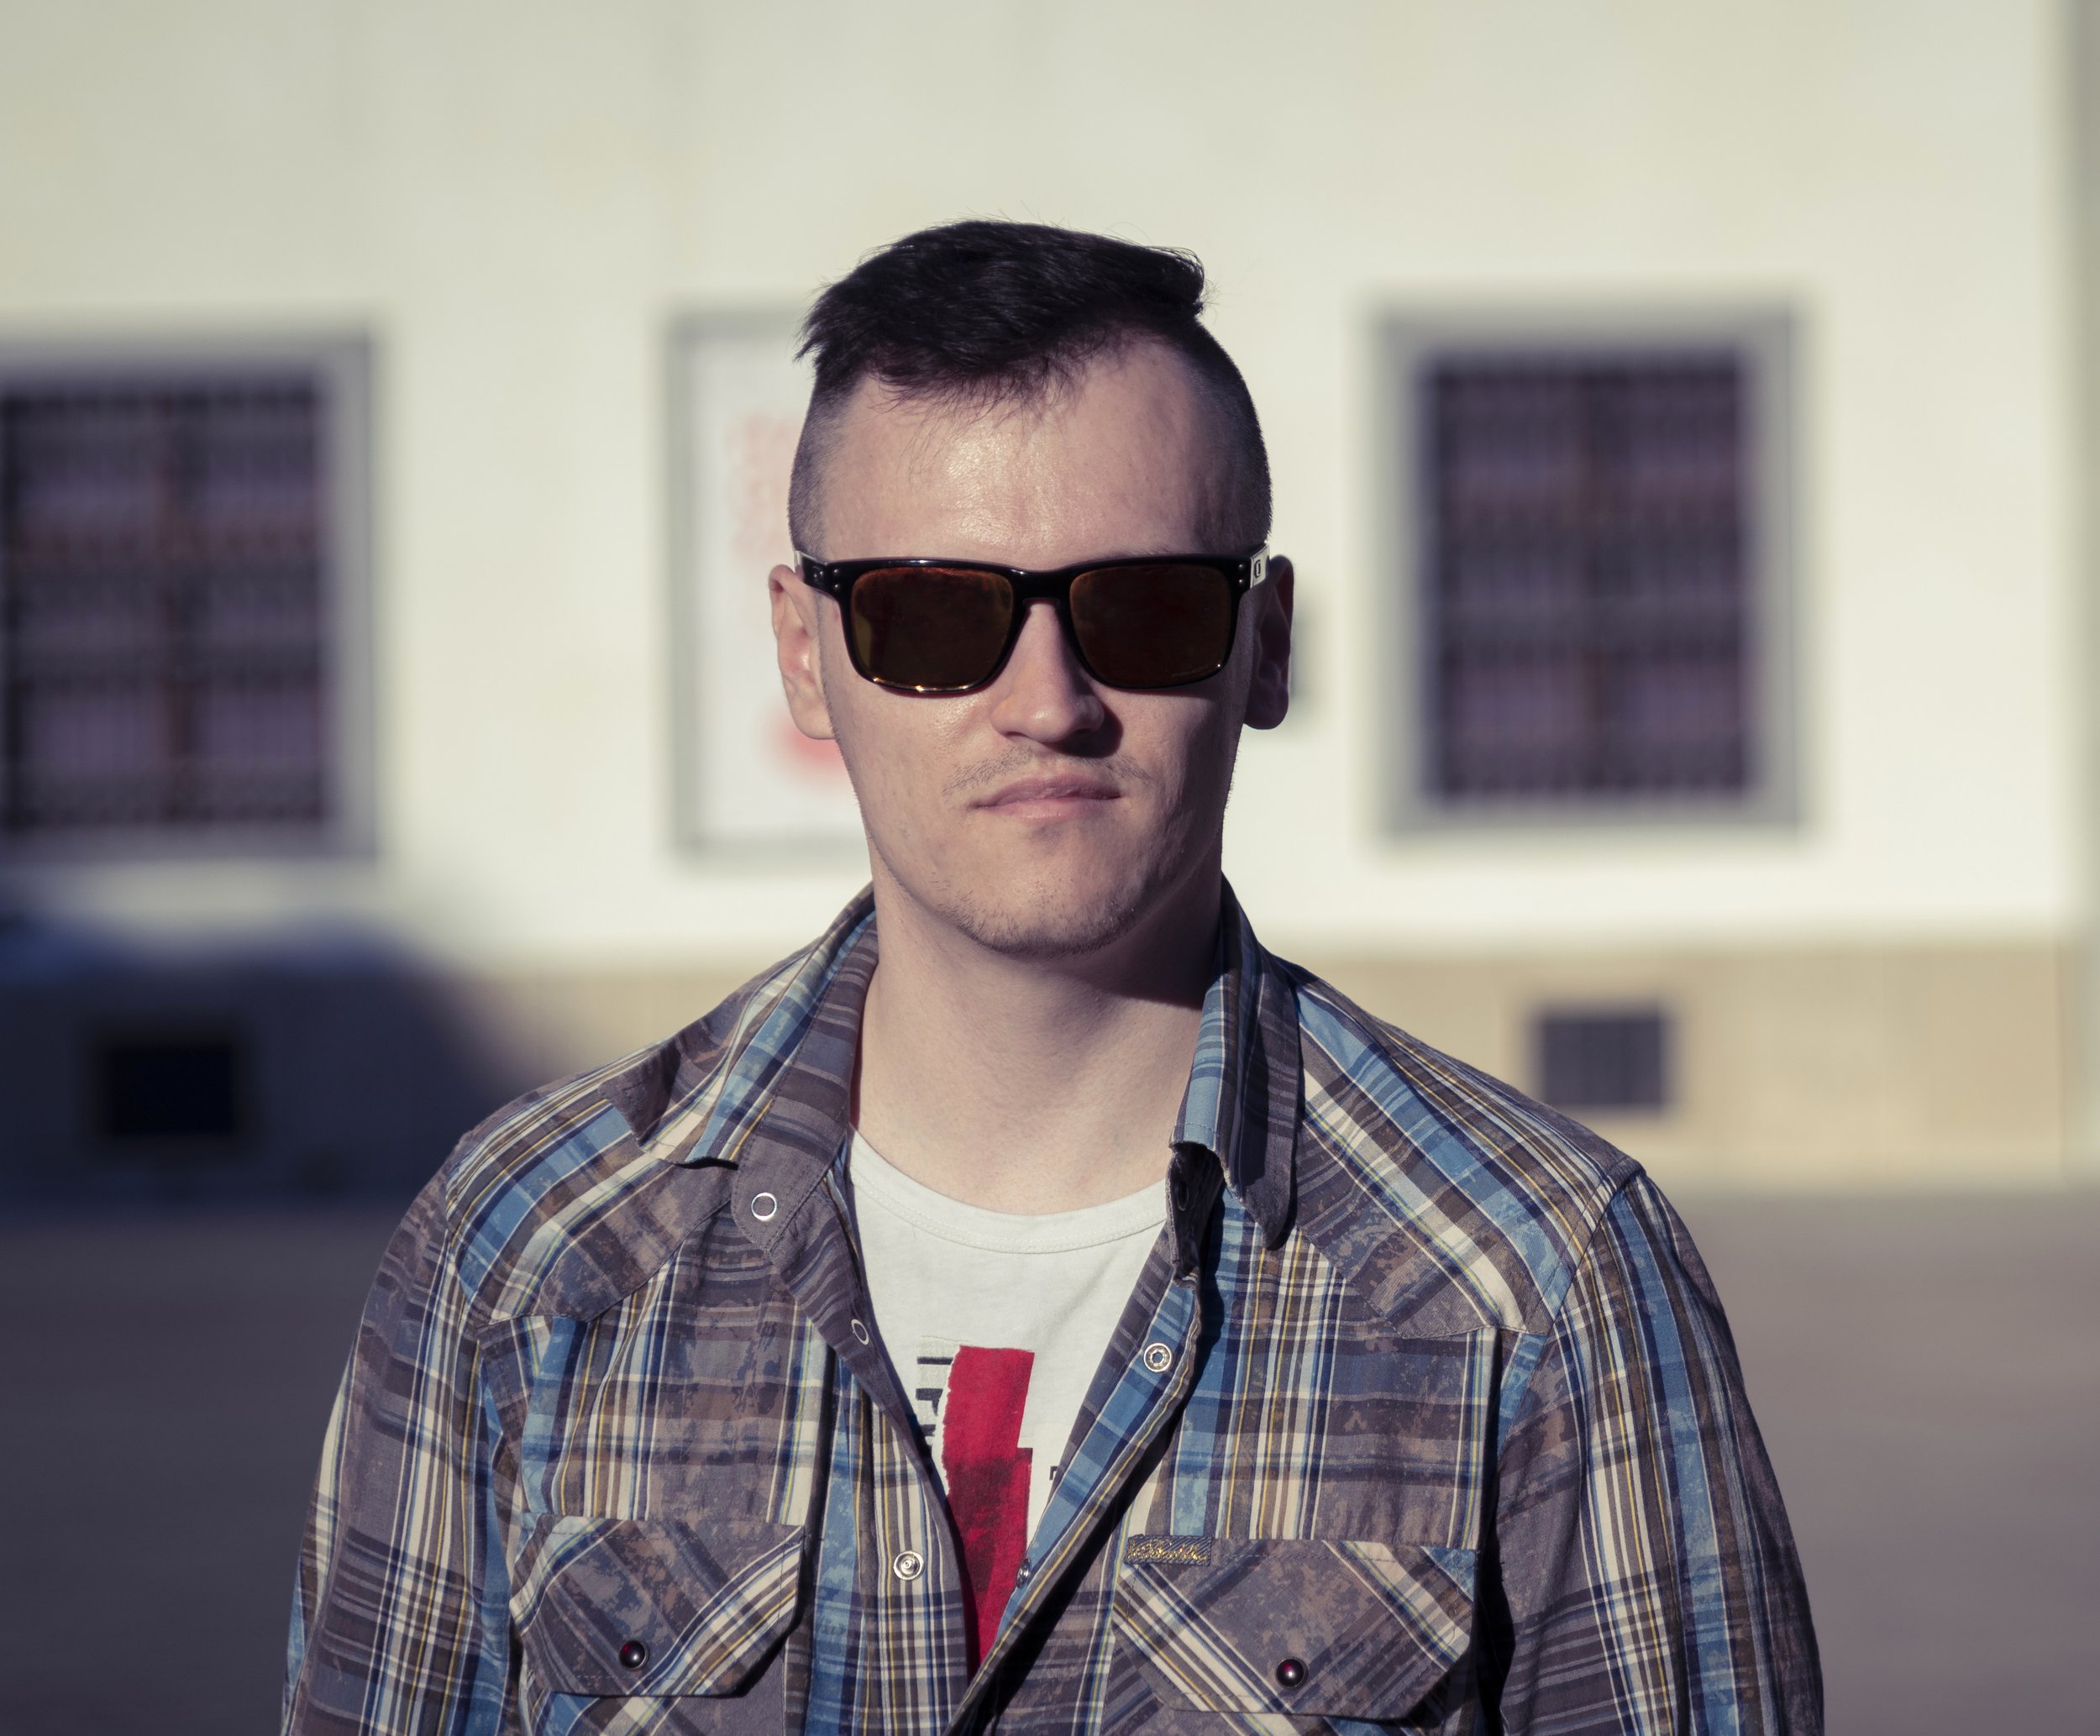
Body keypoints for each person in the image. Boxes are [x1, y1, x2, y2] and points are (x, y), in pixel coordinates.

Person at [284, 219, 1820, 1736]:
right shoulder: (530, 1259)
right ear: (806, 650)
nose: (1048, 702)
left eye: (1142, 606)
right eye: (934, 615)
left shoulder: (1541, 1281)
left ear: (1264, 644)